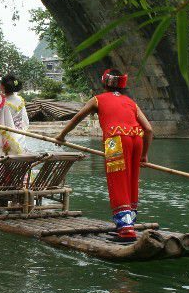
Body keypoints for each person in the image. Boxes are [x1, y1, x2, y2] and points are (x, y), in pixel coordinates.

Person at [55, 69, 153, 241]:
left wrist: (61, 136)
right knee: (131, 181)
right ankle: (127, 223)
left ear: (104, 82)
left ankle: (126, 230)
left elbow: (77, 118)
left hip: (116, 140)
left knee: (118, 181)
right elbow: (149, 129)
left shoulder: (97, 100)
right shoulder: (131, 102)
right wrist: (144, 155)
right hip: (137, 139)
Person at [0, 74, 29, 154]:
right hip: (21, 134)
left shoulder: (4, 103)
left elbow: (3, 123)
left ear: (3, 86)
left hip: (10, 137)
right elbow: (25, 120)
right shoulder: (20, 100)